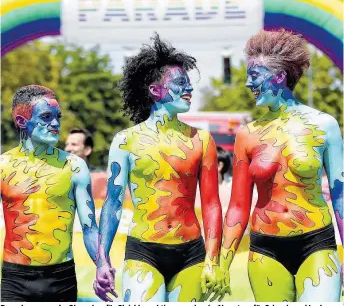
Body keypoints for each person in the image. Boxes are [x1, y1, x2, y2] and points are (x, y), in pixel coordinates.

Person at [93, 34, 225, 302]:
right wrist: (101, 260)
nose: (189, 88)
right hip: (144, 251)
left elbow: (212, 205)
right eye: (180, 83)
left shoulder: (202, 140)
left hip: (191, 253)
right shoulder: (126, 141)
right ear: (155, 90)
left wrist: (213, 259)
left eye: (189, 82)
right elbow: (113, 204)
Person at [219, 29, 343, 302]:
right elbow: (238, 207)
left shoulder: (325, 126)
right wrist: (221, 265)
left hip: (316, 243)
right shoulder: (247, 135)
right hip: (266, 250)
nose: (248, 85)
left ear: (278, 77)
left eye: (254, 77)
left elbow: (340, 196)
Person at [0, 85, 99, 302]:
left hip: (61, 278)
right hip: (14, 279)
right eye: (45, 117)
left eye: (57, 117)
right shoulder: (3, 166)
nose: (55, 124)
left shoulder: (74, 166)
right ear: (21, 122)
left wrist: (103, 265)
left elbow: (89, 227)